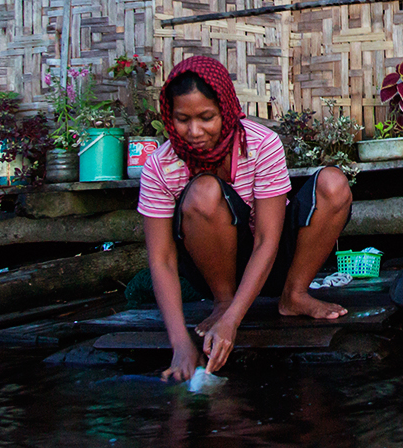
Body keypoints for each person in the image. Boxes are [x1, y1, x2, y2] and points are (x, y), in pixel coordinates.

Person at [138, 55, 353, 381]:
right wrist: (180, 342)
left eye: (206, 117)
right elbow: (162, 258)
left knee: (334, 185)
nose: (194, 131)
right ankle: (222, 301)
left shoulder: (260, 144)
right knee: (204, 192)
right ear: (170, 116)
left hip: (273, 257)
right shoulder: (160, 165)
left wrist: (234, 322)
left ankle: (293, 295)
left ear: (225, 109)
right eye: (183, 119)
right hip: (211, 266)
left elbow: (268, 239)